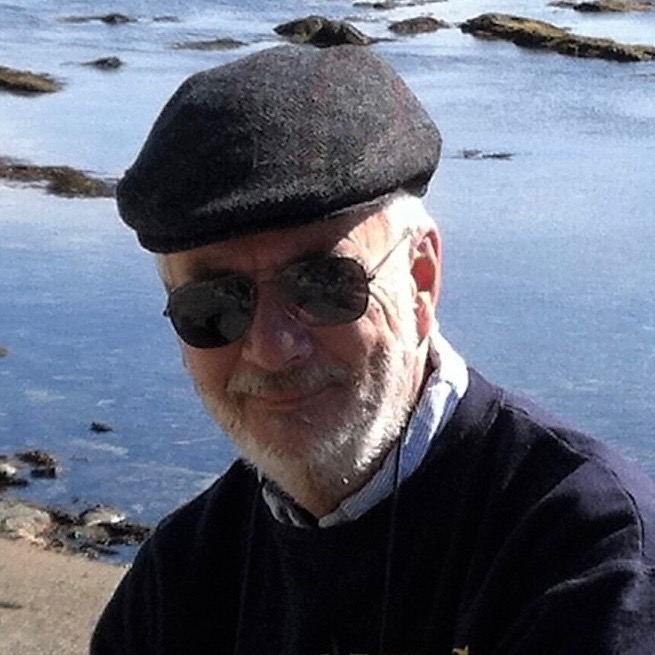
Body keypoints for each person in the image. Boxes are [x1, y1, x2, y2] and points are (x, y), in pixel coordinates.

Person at [91, 45, 655, 655]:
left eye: (323, 283)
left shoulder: (585, 554)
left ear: (420, 278)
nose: (273, 348)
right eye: (214, 306)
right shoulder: (182, 576)